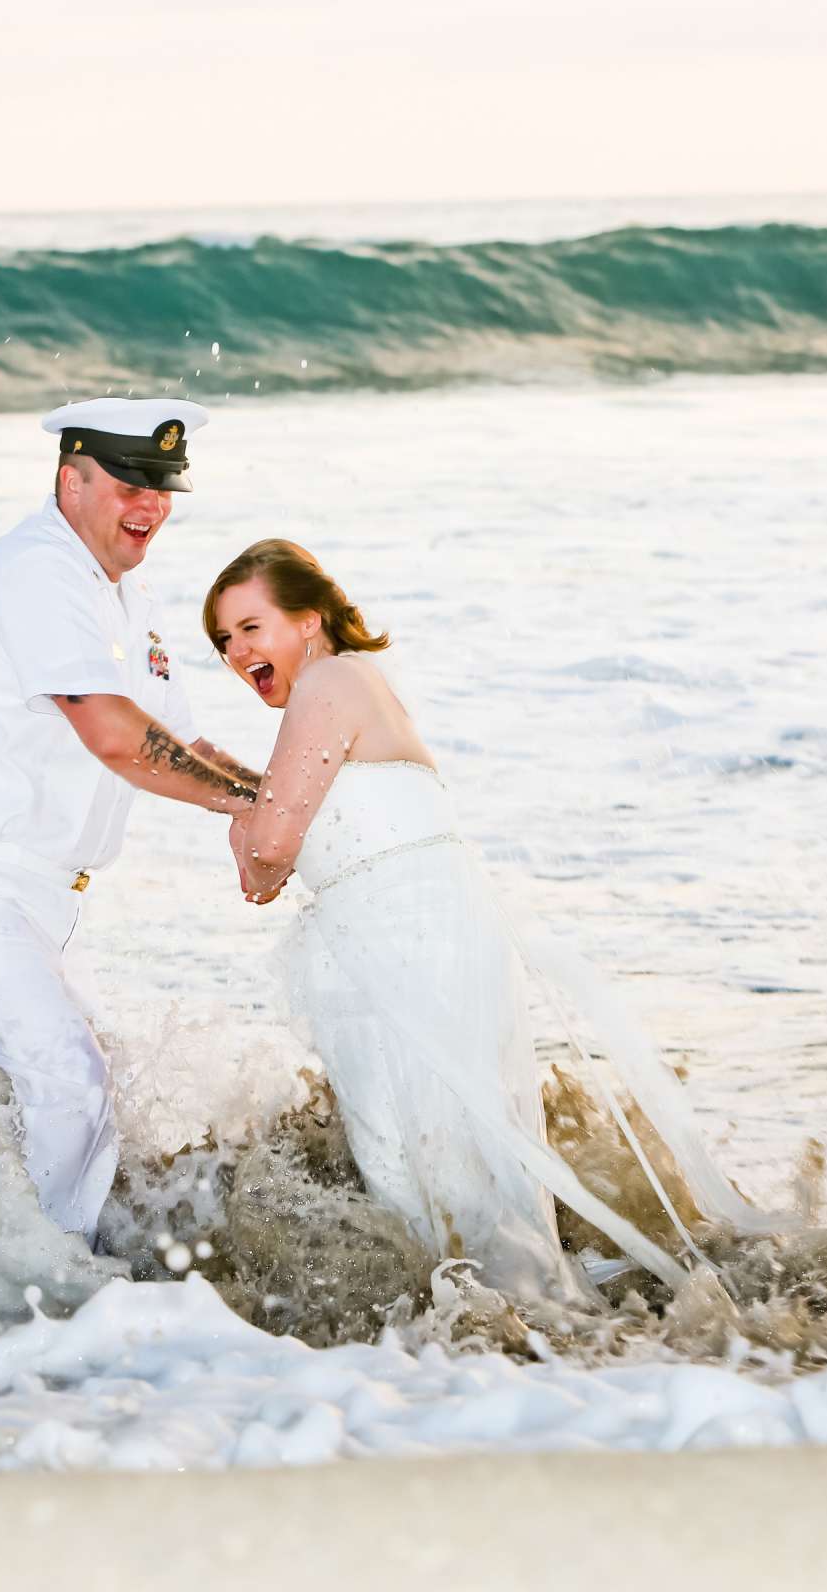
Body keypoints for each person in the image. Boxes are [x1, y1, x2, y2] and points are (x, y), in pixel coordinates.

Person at [205, 539, 763, 1301]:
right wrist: (252, 811)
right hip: (408, 936)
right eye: (223, 640)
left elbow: (266, 852)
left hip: (403, 942)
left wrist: (232, 800)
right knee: (448, 1149)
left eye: (250, 627)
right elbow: (268, 863)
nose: (236, 652)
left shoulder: (329, 681)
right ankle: (499, 1319)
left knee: (428, 1152)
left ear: (308, 620)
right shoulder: (346, 690)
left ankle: (486, 1327)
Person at [0, 398, 262, 1238]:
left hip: (44, 904)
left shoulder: (128, 594)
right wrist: (252, 808)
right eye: (128, 482)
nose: (149, 505)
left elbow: (184, 739)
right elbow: (116, 736)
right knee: (71, 1080)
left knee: (94, 1091)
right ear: (71, 478)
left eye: (162, 489)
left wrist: (282, 801)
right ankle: (55, 1290)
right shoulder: (36, 571)